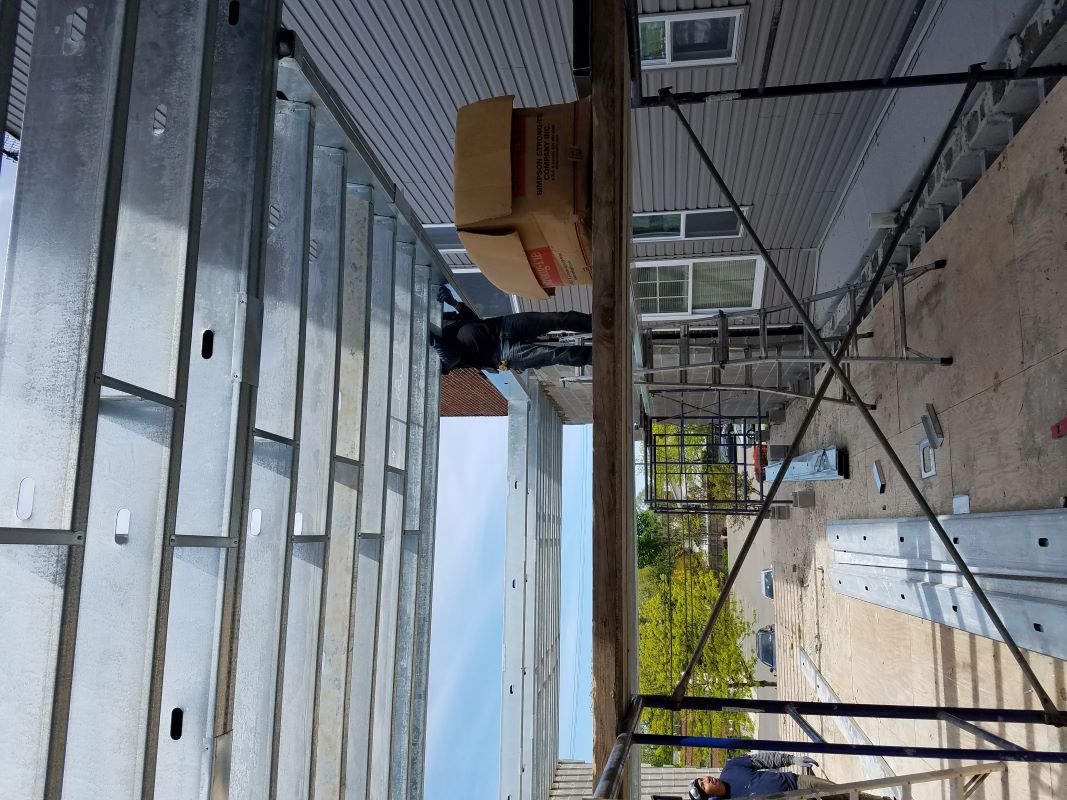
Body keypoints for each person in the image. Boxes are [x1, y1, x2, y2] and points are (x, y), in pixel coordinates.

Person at [428, 285, 592, 373]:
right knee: (558, 354)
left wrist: (454, 303)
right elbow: (452, 359)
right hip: (503, 354)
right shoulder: (426, 360)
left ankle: (595, 323)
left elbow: (472, 321)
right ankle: (597, 356)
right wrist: (432, 341)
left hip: (503, 325)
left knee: (557, 319)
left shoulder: (436, 321)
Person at [688, 752, 892, 800]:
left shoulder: (731, 767)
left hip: (797, 782)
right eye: (704, 785)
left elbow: (764, 760)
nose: (707, 779)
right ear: (708, 796)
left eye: (703, 778)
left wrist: (792, 759)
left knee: (843, 793)